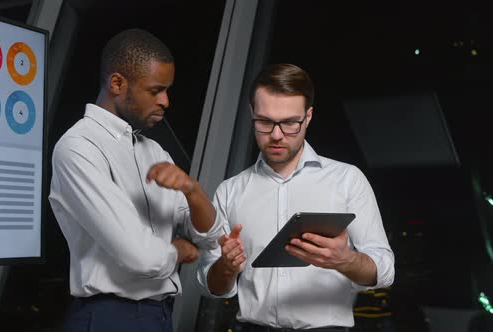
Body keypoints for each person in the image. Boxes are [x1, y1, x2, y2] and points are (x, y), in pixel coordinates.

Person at [197, 63, 395, 331]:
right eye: (265, 122)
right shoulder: (230, 191)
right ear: (252, 114)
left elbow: (384, 271)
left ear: (308, 117)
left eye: (290, 123)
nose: (276, 135)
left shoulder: (347, 180)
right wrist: (226, 267)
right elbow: (212, 286)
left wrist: (345, 260)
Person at [49, 28, 220, 332]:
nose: (166, 101)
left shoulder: (154, 151)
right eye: (156, 90)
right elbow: (140, 256)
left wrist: (193, 192)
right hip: (108, 318)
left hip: (159, 315)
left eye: (167, 90)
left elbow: (207, 238)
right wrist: (178, 251)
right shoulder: (78, 147)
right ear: (117, 83)